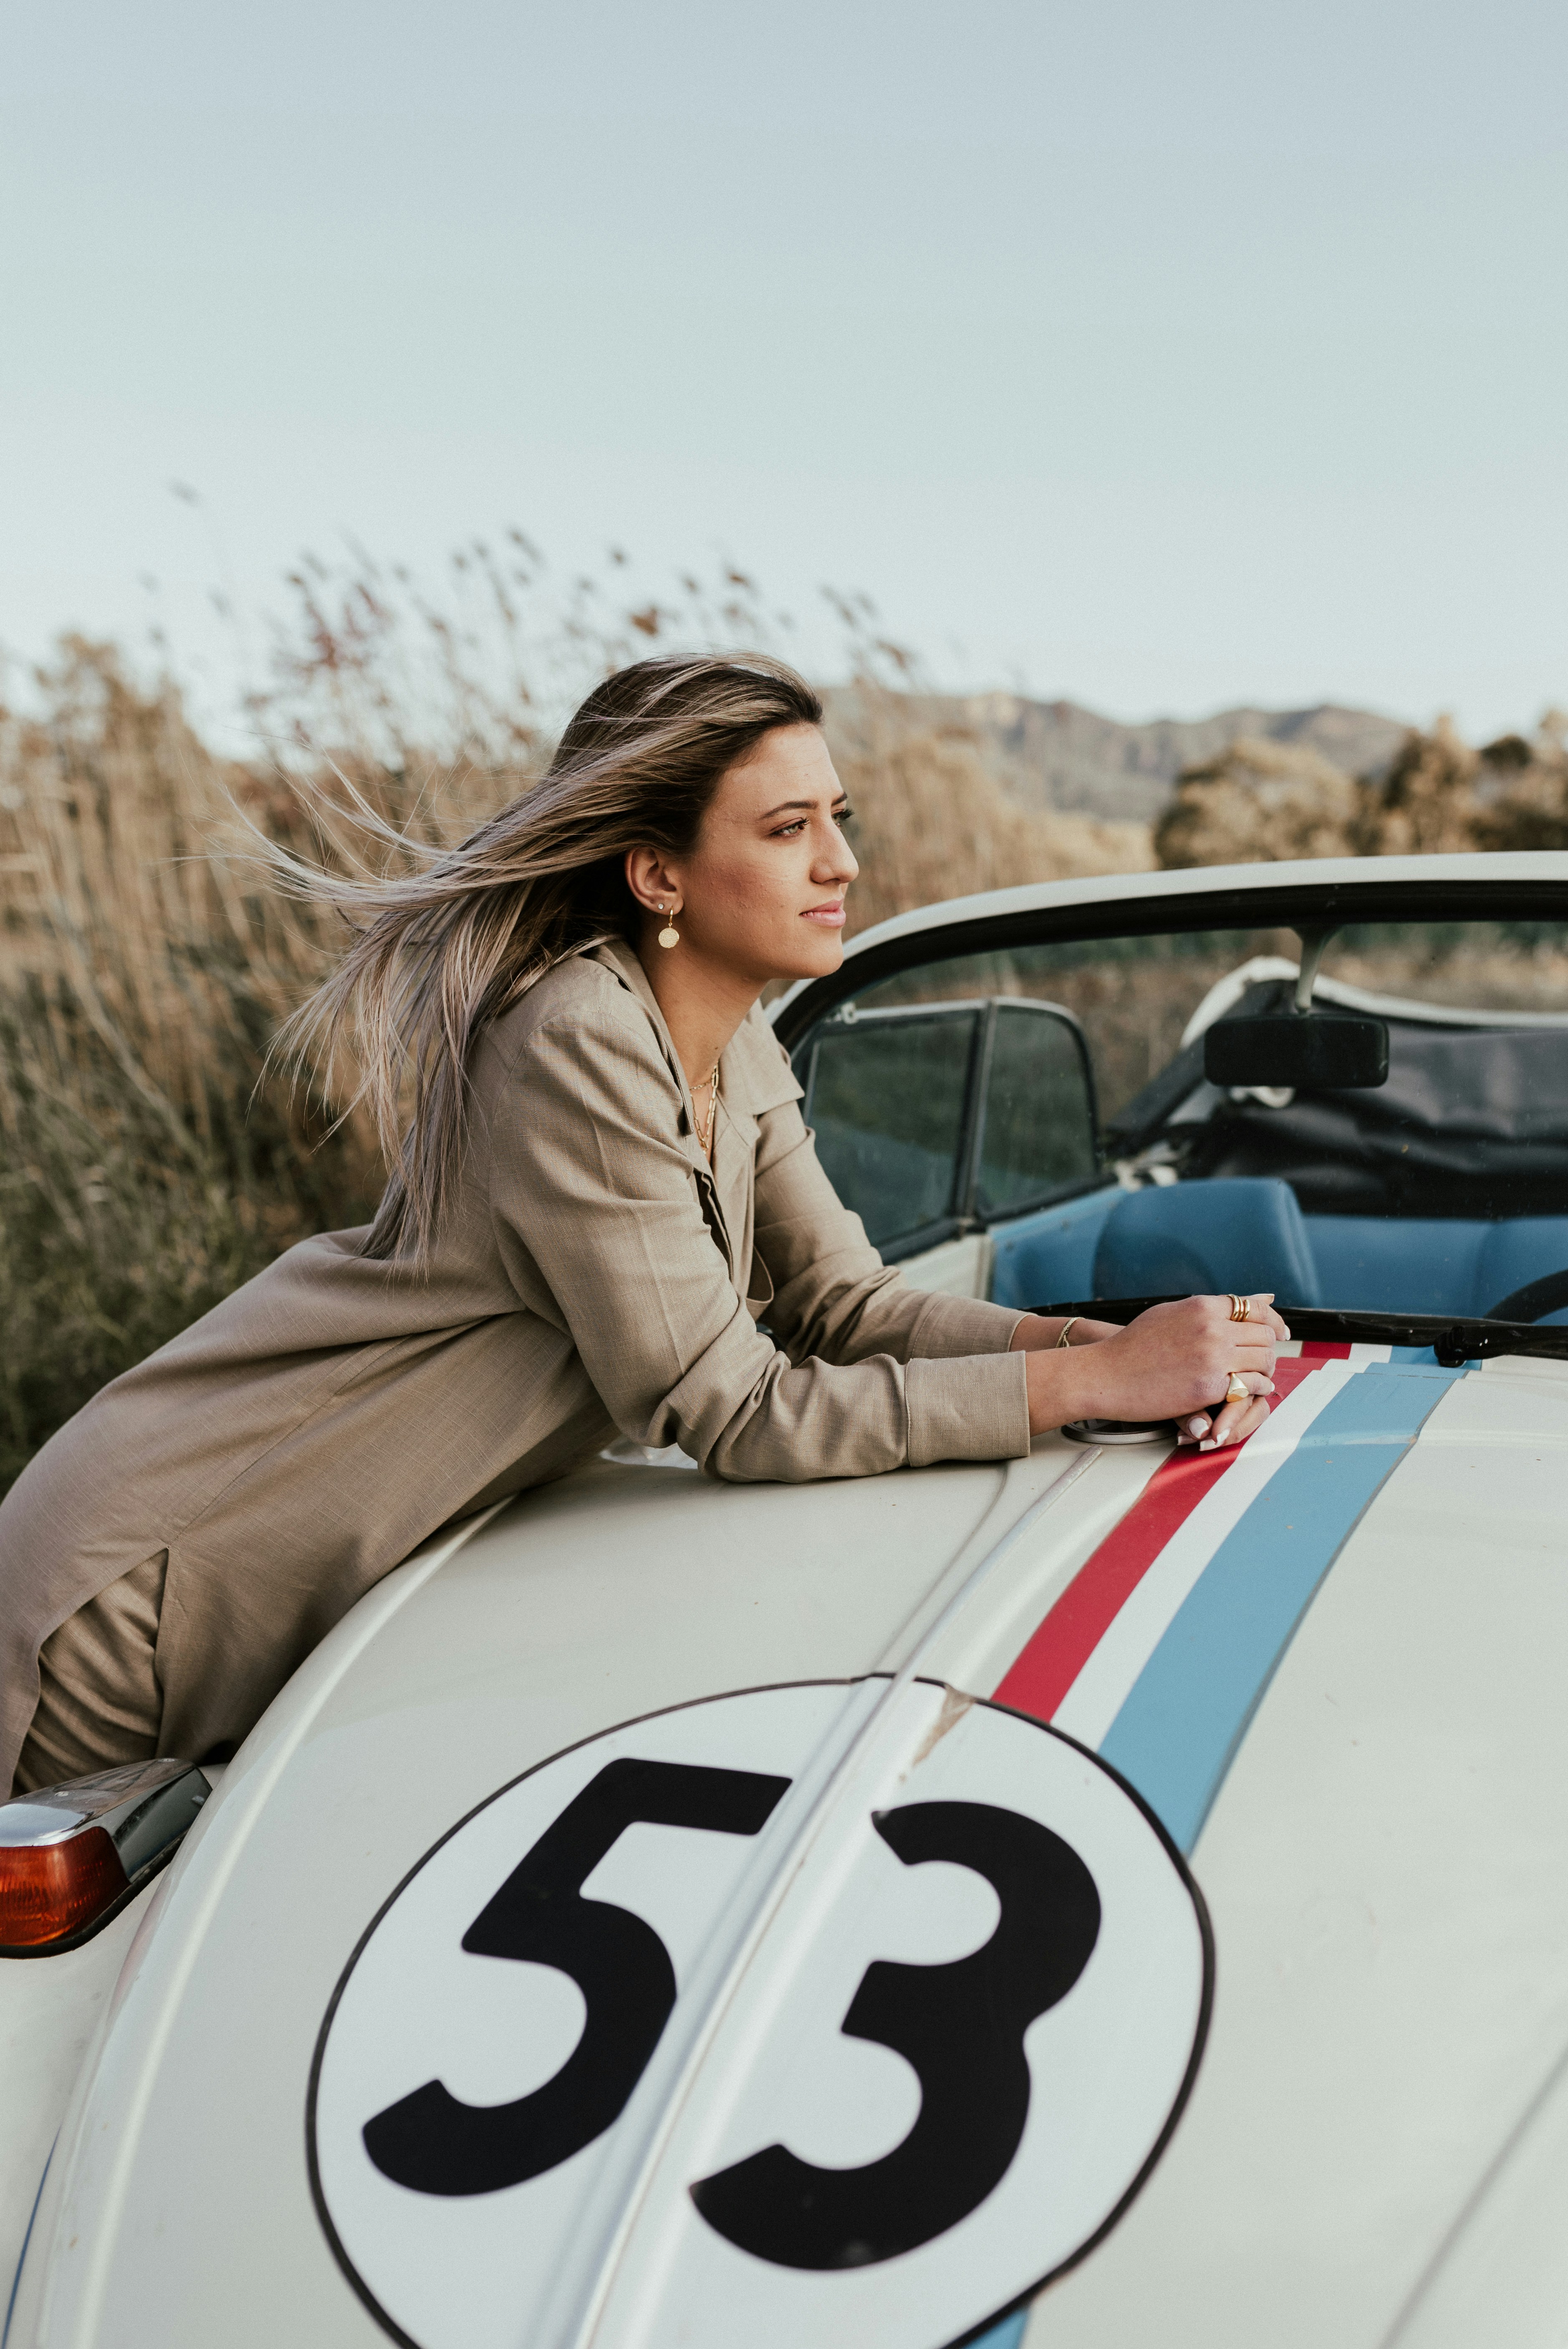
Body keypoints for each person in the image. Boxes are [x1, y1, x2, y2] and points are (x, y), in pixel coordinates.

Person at [0, 655, 1284, 1798]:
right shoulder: (577, 1040)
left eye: (837, 819)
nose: (841, 862)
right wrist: (1089, 1381)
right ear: (658, 870)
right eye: (789, 828)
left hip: (293, 1557)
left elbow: (849, 1306)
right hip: (156, 1579)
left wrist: (1111, 1347)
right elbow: (733, 1409)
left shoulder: (732, 1038)